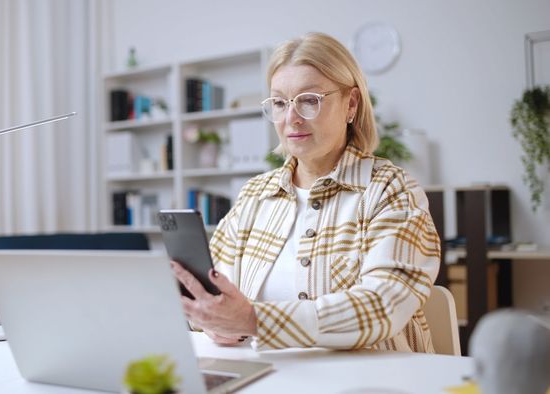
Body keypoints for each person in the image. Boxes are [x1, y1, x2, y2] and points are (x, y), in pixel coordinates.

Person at [170, 32, 441, 352]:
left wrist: (253, 319)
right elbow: (210, 296)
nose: (291, 118)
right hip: (268, 378)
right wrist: (214, 321)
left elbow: (381, 306)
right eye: (280, 103)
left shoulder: (390, 191)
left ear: (351, 104)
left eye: (309, 100)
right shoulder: (255, 195)